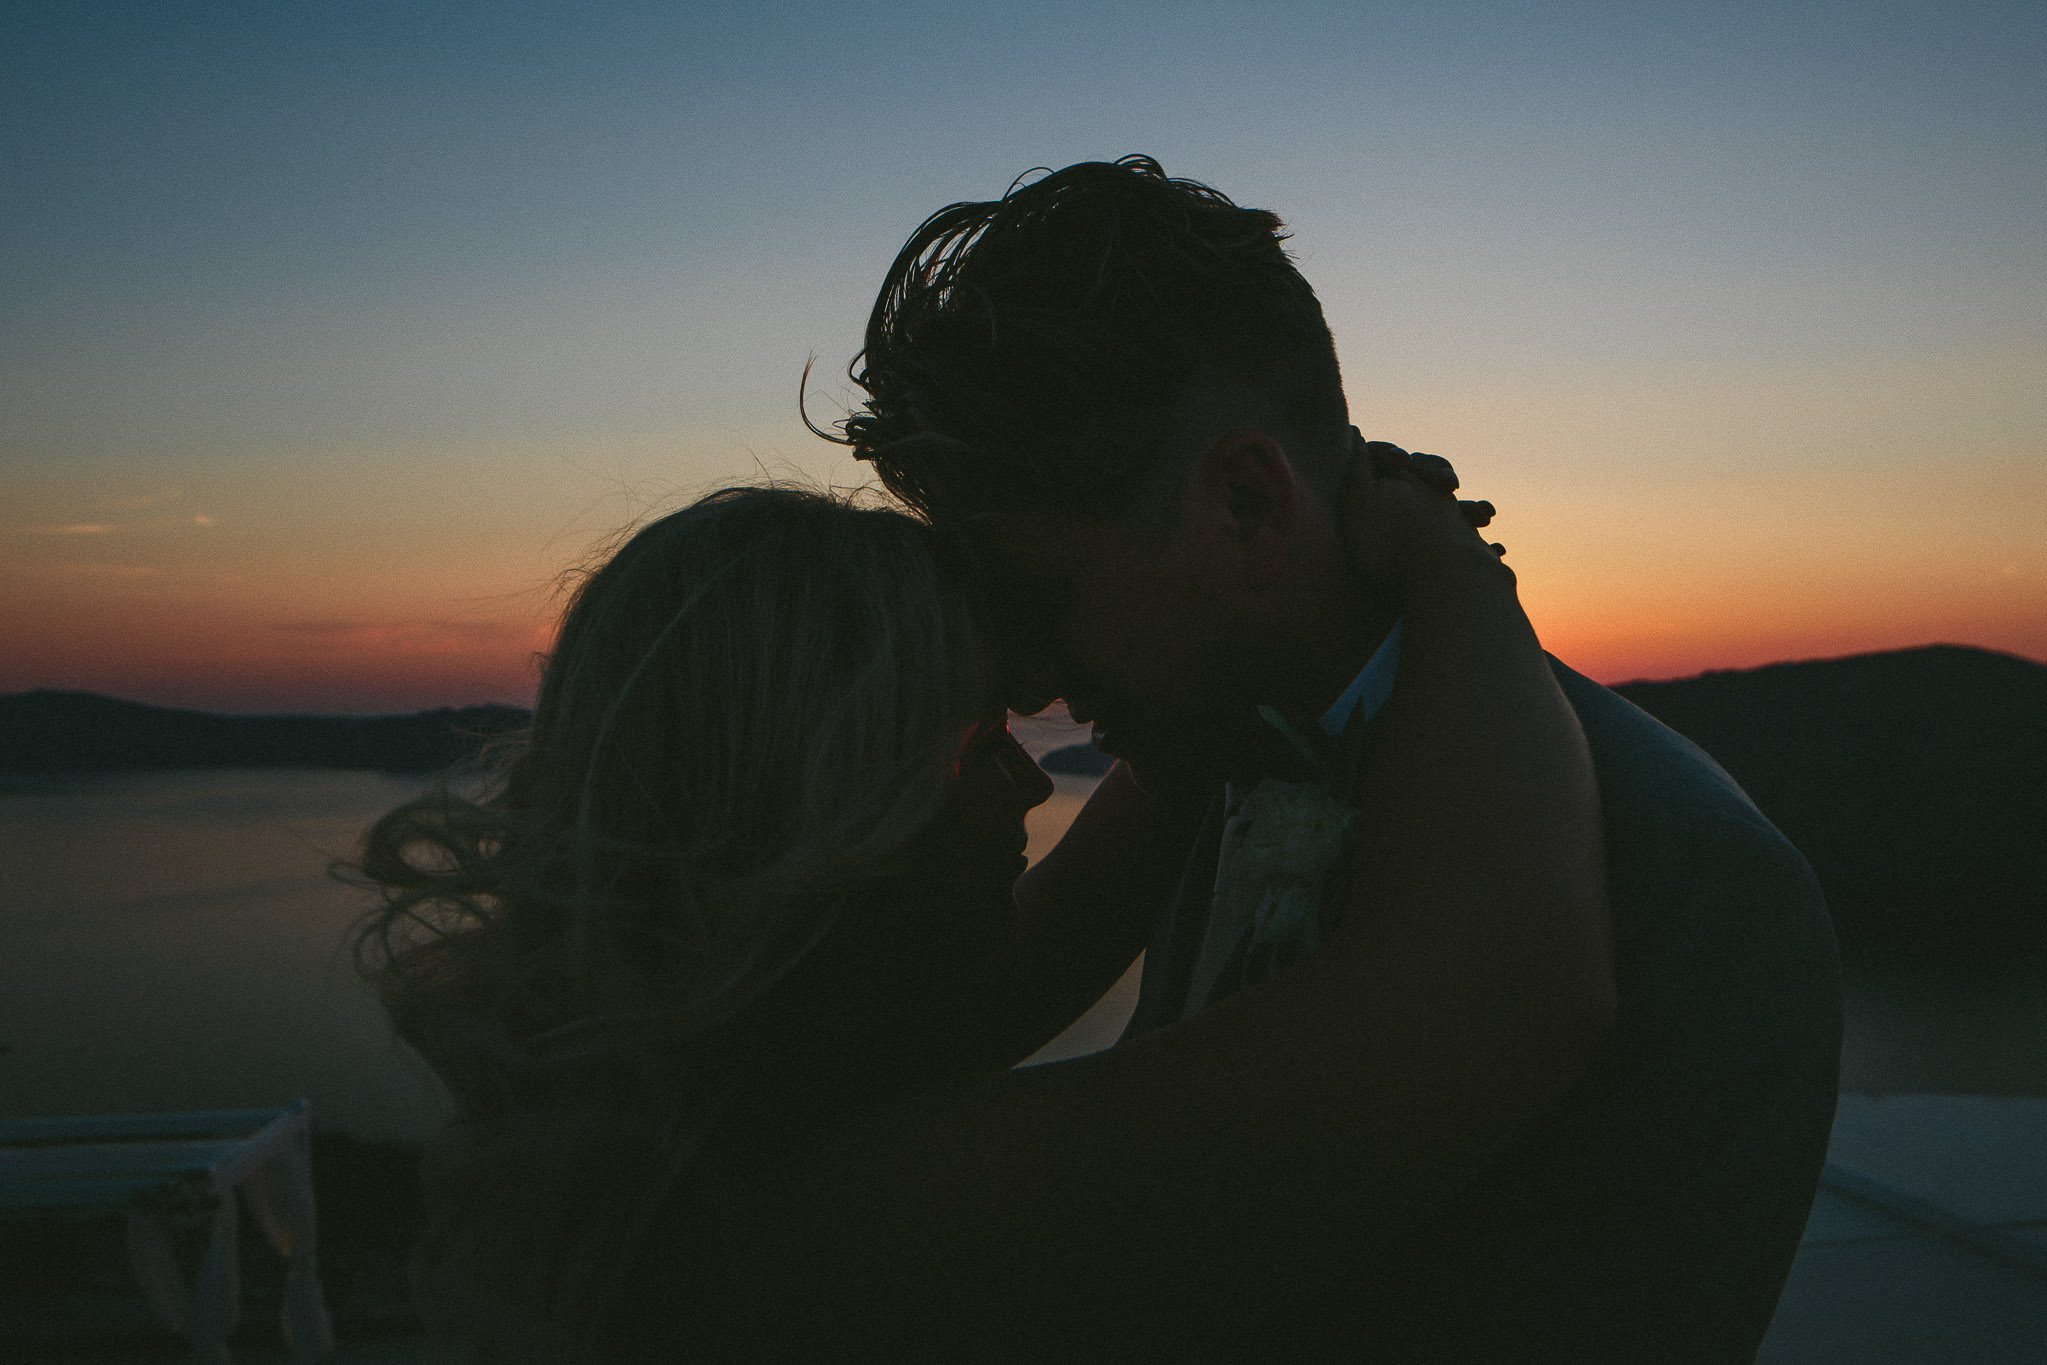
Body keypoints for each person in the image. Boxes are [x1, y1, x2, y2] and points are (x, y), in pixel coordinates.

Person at [832, 156, 1843, 1361]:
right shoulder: (1199, 766)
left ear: (1251, 505)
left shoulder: (1692, 881)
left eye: (1047, 596)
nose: (1028, 682)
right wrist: (1462, 580)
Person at [353, 477, 1610, 1362]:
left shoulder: (723, 1077)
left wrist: (1208, 631)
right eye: (963, 747)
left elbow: (1045, 939)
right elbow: (1499, 993)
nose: (1022, 783)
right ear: (810, 805)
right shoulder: (823, 1226)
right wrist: (1455, 573)